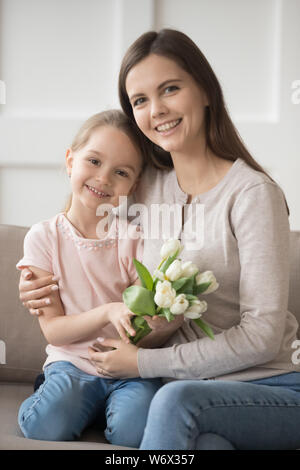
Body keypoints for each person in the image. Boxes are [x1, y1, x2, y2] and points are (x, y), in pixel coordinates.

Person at [19, 29, 300, 450]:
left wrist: (143, 362)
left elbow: (261, 335)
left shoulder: (253, 195)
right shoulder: (143, 185)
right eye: (140, 100)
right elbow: (83, 219)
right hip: (190, 390)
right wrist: (35, 286)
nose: (157, 110)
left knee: (175, 401)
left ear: (204, 90)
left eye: (170, 89)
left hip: (271, 386)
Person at [16, 109, 183, 447]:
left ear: (132, 185)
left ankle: (96, 407)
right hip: (71, 364)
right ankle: (59, 396)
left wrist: (161, 322)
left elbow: (142, 327)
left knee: (134, 431)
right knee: (46, 426)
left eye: (120, 172)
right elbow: (54, 330)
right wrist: (108, 311)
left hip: (127, 367)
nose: (103, 178)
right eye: (93, 161)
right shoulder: (43, 237)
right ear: (70, 160)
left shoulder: (136, 239)